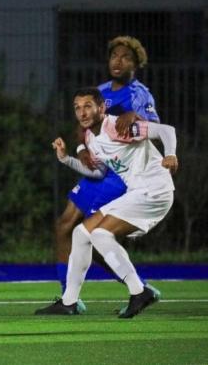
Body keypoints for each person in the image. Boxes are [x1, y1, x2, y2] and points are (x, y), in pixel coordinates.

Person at [36, 87, 178, 318]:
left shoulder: (117, 127)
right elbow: (98, 172)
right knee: (81, 233)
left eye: (88, 106)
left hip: (155, 191)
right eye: (77, 108)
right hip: (138, 192)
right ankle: (69, 302)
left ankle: (139, 291)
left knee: (100, 234)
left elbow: (166, 130)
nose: (82, 113)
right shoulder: (91, 137)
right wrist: (66, 159)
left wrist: (170, 154)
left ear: (101, 108)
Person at [55, 36, 161, 299]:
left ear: (137, 64)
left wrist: (134, 115)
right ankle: (67, 296)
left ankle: (140, 288)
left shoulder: (139, 94)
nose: (118, 61)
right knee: (63, 226)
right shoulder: (100, 91)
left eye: (126, 57)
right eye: (114, 56)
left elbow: (152, 129)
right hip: (98, 171)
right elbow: (82, 126)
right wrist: (80, 150)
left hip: (119, 175)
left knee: (93, 237)